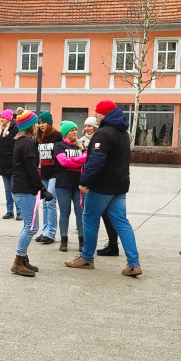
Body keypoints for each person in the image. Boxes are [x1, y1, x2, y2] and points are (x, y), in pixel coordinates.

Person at [66, 100, 142, 277]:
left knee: (90, 220)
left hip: (101, 187)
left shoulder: (103, 134)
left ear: (105, 114)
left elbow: (95, 162)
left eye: (98, 113)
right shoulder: (123, 133)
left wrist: (84, 181)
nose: (96, 115)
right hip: (120, 186)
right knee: (122, 223)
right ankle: (133, 263)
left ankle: (86, 258)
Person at [11, 109, 52, 277]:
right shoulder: (27, 143)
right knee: (31, 227)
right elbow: (31, 169)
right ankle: (18, 261)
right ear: (30, 125)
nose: (38, 126)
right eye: (36, 123)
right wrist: (42, 188)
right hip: (24, 189)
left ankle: (23, 258)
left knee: (30, 225)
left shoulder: (24, 141)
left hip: (24, 188)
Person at [79, 116, 119, 256]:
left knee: (103, 215)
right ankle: (111, 244)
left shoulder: (101, 139)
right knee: (103, 214)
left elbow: (95, 162)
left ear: (96, 127)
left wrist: (86, 180)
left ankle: (108, 246)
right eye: (86, 126)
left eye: (90, 126)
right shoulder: (82, 141)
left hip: (99, 183)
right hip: (92, 180)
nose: (87, 128)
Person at [52, 121, 85, 253]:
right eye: (72, 130)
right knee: (65, 213)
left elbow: (87, 158)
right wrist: (79, 161)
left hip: (78, 185)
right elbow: (63, 161)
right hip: (63, 184)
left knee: (80, 214)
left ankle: (82, 241)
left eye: (76, 130)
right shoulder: (59, 145)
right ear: (66, 132)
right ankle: (63, 239)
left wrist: (74, 161)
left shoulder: (80, 145)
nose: (75, 132)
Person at [34, 111, 61, 245]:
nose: (41, 125)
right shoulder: (38, 137)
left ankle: (51, 232)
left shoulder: (57, 135)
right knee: (44, 203)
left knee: (51, 202)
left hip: (54, 173)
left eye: (43, 122)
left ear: (49, 123)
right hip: (42, 173)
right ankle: (45, 231)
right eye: (39, 123)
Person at [0, 109, 19, 220]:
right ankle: (9, 211)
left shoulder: (15, 129)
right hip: (3, 165)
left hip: (13, 165)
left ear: (8, 118)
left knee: (15, 189)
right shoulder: (1, 129)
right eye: (1, 117)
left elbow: (18, 146)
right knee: (8, 190)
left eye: (3, 117)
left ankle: (20, 212)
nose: (1, 119)